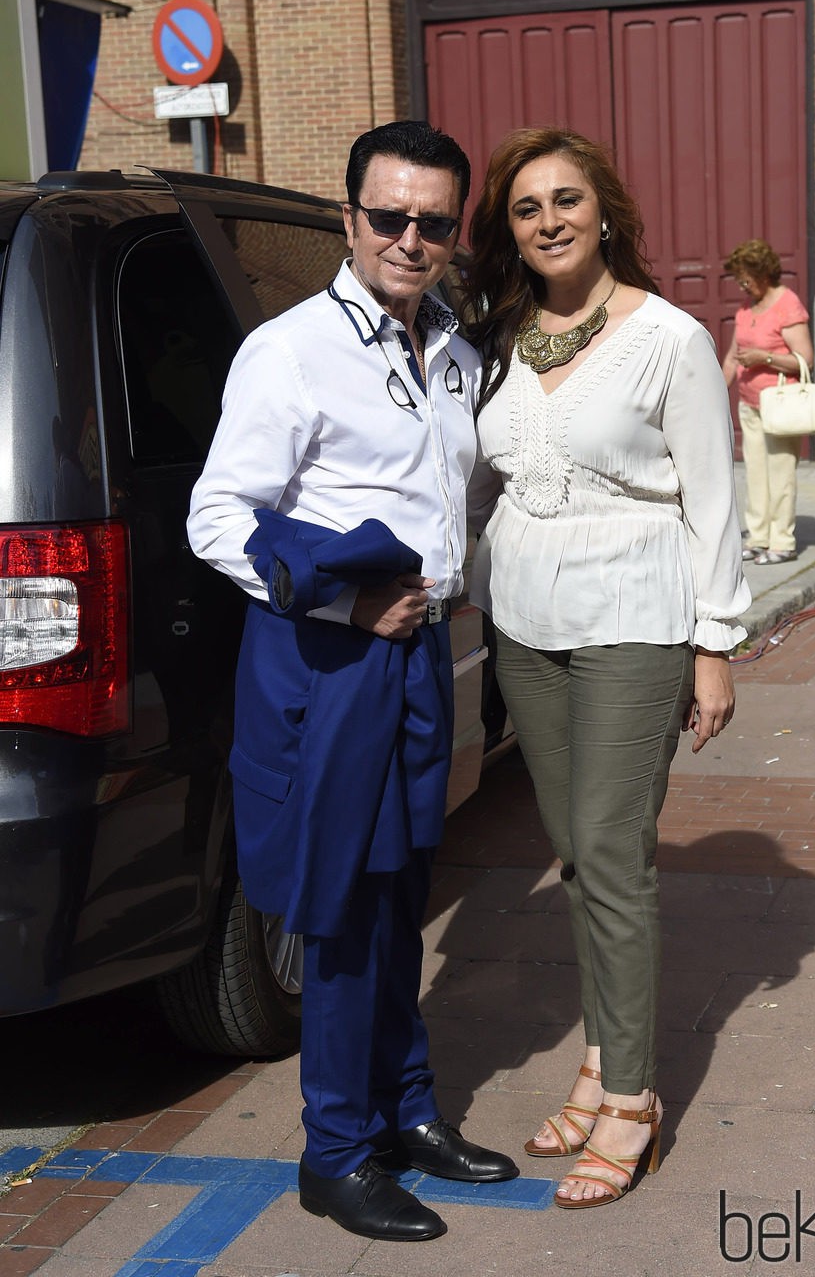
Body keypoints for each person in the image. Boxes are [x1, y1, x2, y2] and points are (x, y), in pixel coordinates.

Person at [187, 120, 517, 1244]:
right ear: (348, 218)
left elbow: (457, 501)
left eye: (433, 221)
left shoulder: (456, 354)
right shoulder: (288, 351)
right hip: (328, 661)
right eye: (389, 217)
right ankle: (335, 1152)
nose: (410, 239)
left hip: (419, 655)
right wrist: (342, 601)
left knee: (402, 891)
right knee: (337, 910)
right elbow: (217, 519)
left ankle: (406, 1112)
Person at [461, 127, 750, 1211]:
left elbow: (712, 496)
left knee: (611, 853)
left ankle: (630, 1097)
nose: (547, 219)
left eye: (565, 198)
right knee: (576, 852)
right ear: (510, 228)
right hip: (527, 625)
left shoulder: (666, 337)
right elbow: (484, 481)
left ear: (603, 209)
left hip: (634, 617)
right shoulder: (497, 339)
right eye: (527, 205)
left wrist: (712, 641)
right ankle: (598, 1054)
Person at [721, 238, 815, 565]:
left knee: (780, 474)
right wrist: (717, 394)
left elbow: (805, 359)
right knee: (756, 474)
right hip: (749, 405)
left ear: (763, 273)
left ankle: (783, 542)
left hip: (781, 405)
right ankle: (758, 537)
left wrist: (765, 358)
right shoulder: (746, 309)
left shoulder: (787, 304)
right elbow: (732, 357)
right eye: (739, 279)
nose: (742, 285)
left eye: (746, 278)